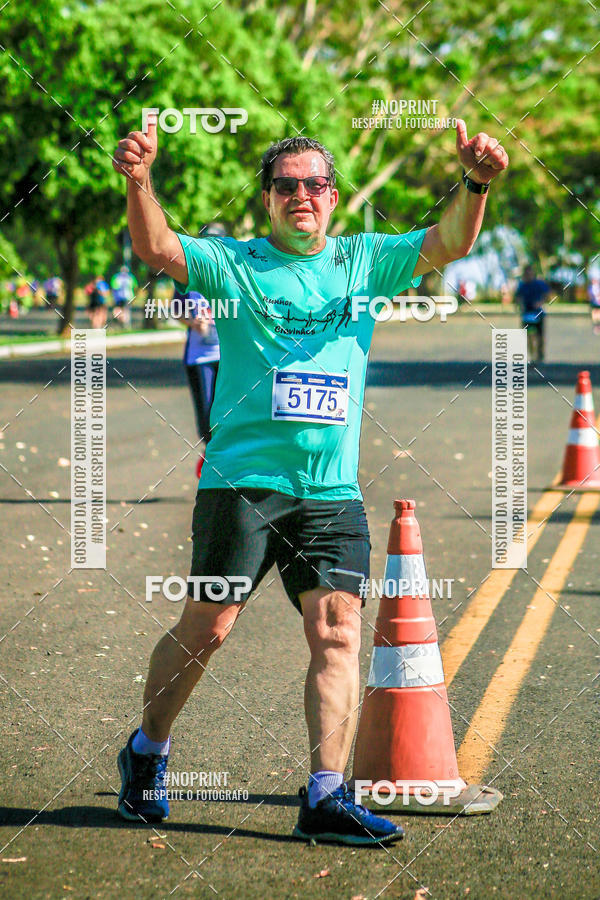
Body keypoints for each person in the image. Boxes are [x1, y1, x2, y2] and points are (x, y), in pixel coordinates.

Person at [112, 118, 508, 844]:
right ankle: (147, 751)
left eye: (315, 185)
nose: (302, 195)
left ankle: (325, 795)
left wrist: (476, 182)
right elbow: (157, 247)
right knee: (209, 629)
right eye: (287, 185)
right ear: (268, 198)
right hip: (242, 482)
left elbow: (450, 242)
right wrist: (140, 181)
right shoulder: (236, 263)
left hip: (330, 491)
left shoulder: (364, 261)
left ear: (333, 197)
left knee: (336, 632)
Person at [171, 272, 221, 477]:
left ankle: (221, 460)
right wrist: (193, 322)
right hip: (199, 358)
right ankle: (210, 455)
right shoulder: (187, 277)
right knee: (206, 414)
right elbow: (176, 310)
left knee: (227, 411)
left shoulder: (229, 276)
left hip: (228, 356)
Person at [514, 264, 550, 363]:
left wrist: (540, 302)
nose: (528, 275)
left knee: (539, 336)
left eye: (530, 273)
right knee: (529, 335)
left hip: (538, 314)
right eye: (526, 273)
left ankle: (540, 355)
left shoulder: (539, 284)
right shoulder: (522, 285)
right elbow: (518, 297)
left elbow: (547, 294)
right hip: (527, 314)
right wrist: (519, 305)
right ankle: (532, 356)